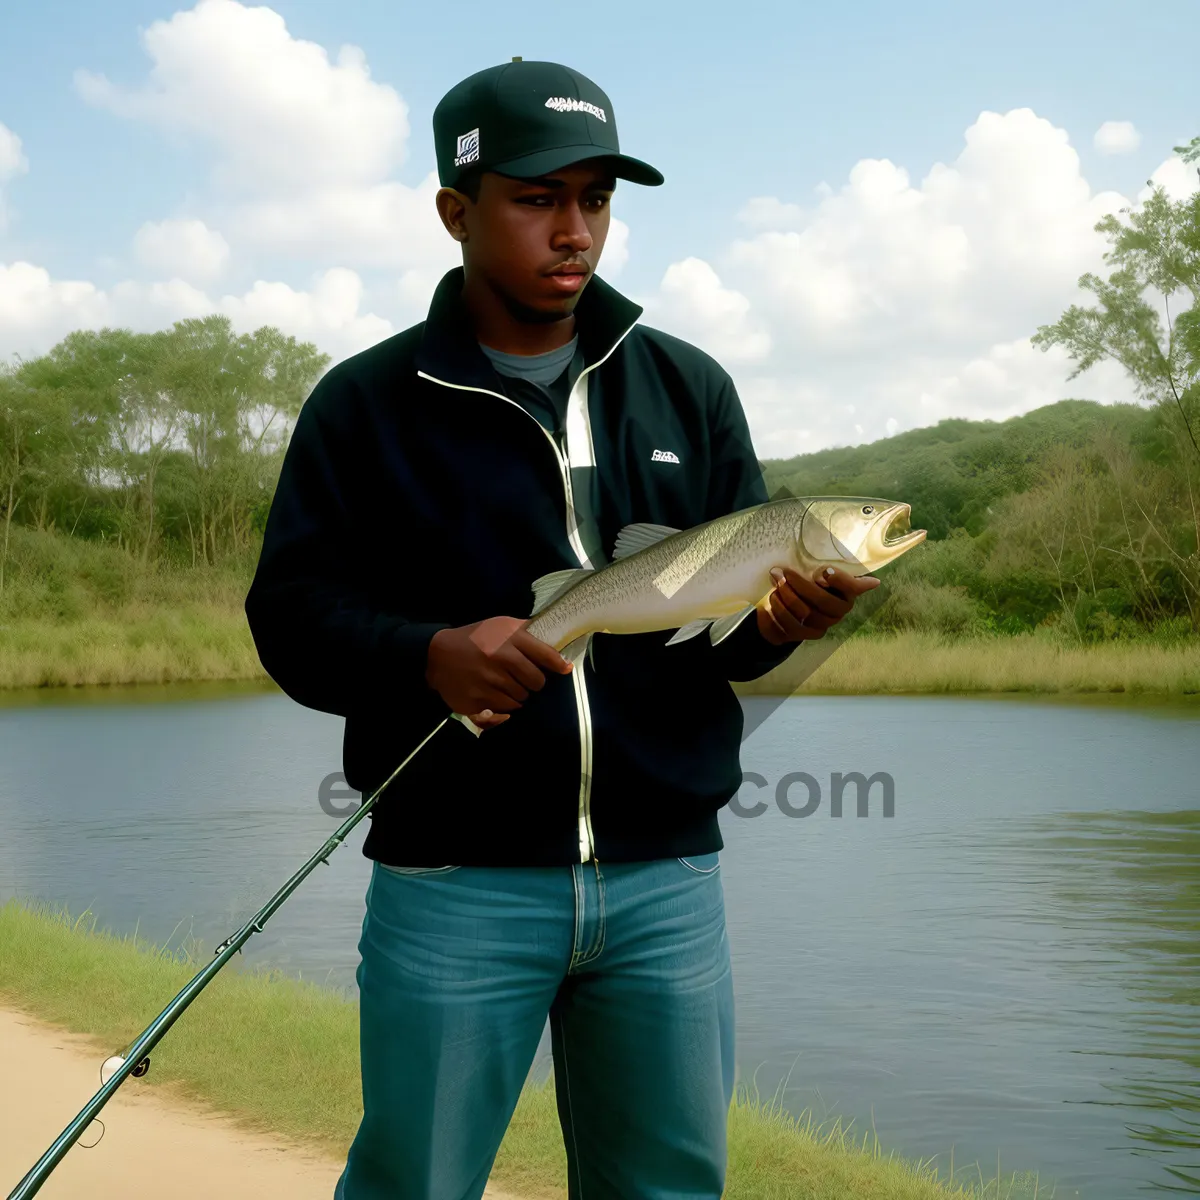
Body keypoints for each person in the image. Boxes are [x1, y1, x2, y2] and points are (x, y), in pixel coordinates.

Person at [245, 57, 878, 1200]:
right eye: (538, 198)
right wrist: (425, 657)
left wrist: (790, 621)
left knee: (668, 1188)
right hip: (455, 882)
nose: (573, 229)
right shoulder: (365, 404)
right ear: (457, 210)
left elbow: (725, 647)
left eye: (595, 198)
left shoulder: (688, 387)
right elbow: (290, 620)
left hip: (666, 884)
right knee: (414, 1183)